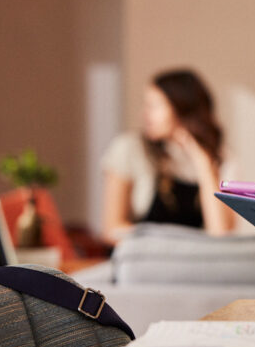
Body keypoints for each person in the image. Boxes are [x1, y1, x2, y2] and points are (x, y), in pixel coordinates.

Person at [101, 69, 236, 243]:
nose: (145, 114)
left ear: (181, 108)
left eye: (154, 106)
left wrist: (202, 163)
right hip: (139, 260)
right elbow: (111, 228)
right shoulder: (129, 149)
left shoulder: (220, 158)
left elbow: (220, 233)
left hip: (191, 264)